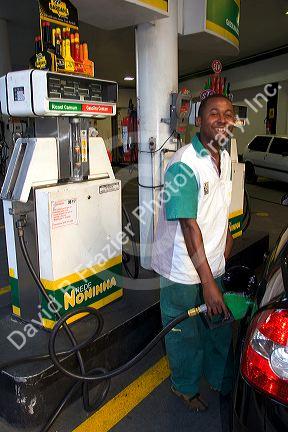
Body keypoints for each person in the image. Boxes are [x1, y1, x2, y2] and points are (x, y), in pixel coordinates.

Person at [151, 94, 235, 412]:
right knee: (184, 330)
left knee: (218, 323)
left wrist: (226, 243)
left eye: (228, 114)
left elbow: (219, 207)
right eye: (214, 112)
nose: (222, 119)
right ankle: (184, 387)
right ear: (199, 118)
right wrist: (208, 283)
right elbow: (188, 225)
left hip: (212, 260)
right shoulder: (184, 164)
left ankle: (218, 377)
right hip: (181, 267)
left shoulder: (224, 158)